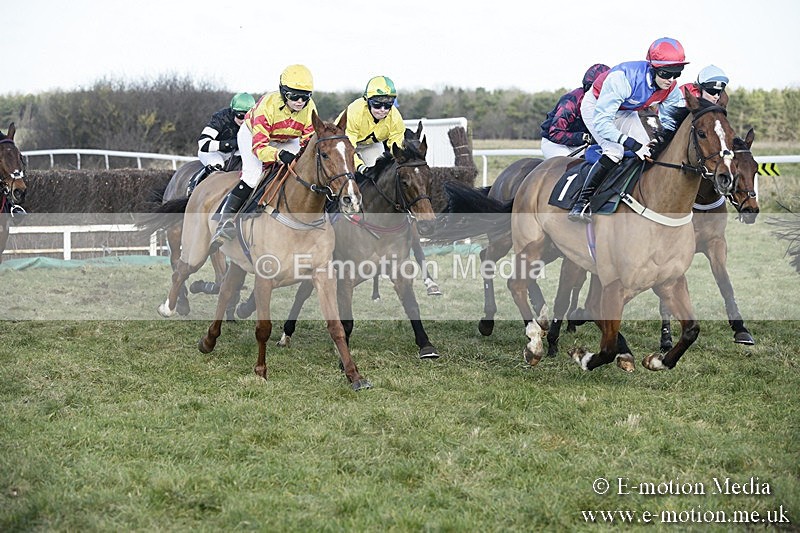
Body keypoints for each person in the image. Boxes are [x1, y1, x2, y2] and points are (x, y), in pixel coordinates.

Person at [569, 37, 689, 223]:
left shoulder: (671, 88)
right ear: (653, 68)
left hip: (625, 111)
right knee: (614, 151)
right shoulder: (623, 78)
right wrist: (631, 143)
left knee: (648, 150)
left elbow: (670, 123)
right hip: (597, 108)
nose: (671, 80)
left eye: (677, 73)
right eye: (666, 74)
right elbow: (603, 123)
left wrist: (660, 141)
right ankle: (582, 203)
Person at [210, 65, 317, 249]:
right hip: (253, 135)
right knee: (252, 176)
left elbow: (308, 141)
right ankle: (225, 222)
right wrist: (278, 154)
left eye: (305, 97)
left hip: (287, 137)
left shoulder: (310, 108)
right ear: (283, 92)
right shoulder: (267, 105)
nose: (300, 101)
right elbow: (259, 148)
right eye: (294, 96)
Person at [187, 92, 256, 196]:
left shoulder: (254, 122)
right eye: (240, 116)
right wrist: (230, 144)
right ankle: (193, 187)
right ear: (232, 112)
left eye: (248, 117)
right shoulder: (220, 118)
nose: (244, 121)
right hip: (214, 152)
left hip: (235, 154)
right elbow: (203, 143)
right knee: (217, 164)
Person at [336, 75, 406, 174]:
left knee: (377, 173)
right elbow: (347, 147)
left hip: (370, 145)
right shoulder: (355, 112)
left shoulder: (396, 118)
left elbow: (397, 149)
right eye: (377, 104)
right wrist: (360, 167)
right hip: (341, 143)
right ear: (367, 101)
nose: (382, 110)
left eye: (388, 105)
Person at [539, 63, 610, 159]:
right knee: (567, 165)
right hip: (555, 143)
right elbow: (555, 133)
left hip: (582, 144)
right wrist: (585, 137)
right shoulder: (571, 101)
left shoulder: (610, 103)